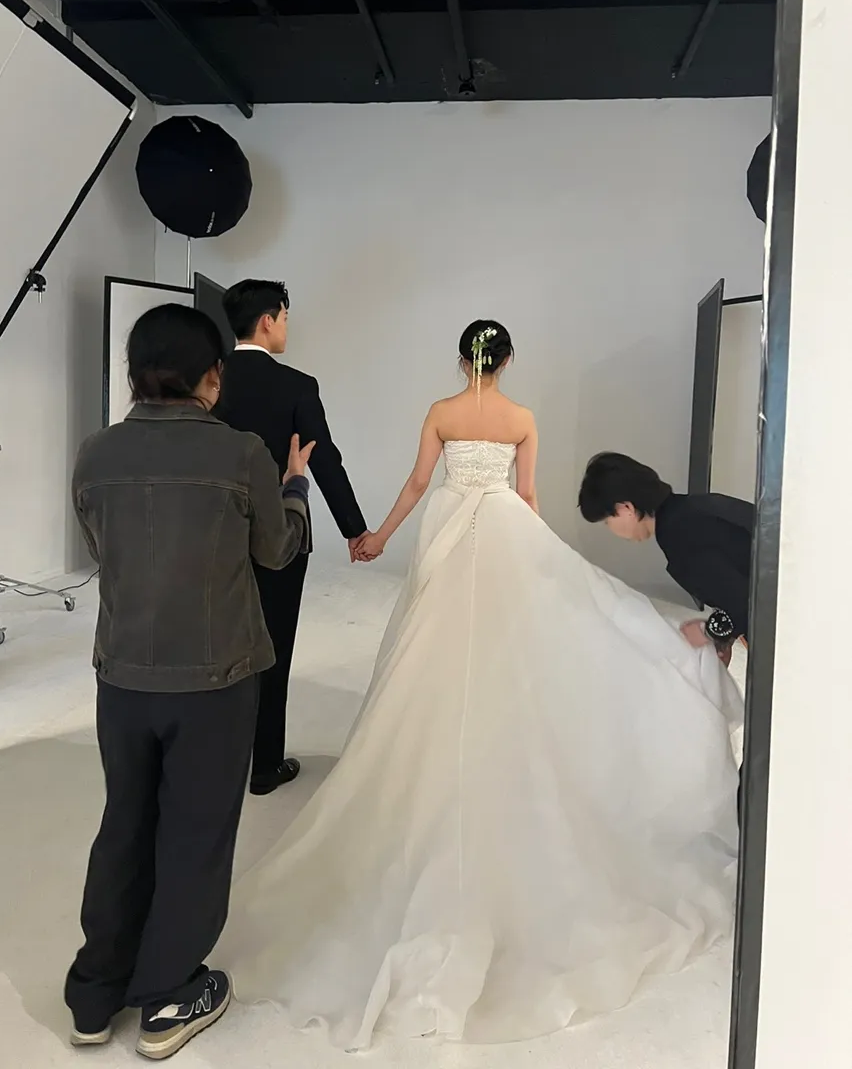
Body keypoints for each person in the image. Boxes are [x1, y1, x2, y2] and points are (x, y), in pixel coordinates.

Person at [223, 322, 741, 1049]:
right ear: (506, 361)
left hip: (447, 530)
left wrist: (377, 536)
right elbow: (526, 497)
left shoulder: (441, 411)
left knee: (429, 650)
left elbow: (417, 483)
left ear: (460, 358)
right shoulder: (521, 417)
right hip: (500, 534)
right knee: (502, 650)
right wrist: (541, 564)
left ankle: (425, 762)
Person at [65, 304, 313, 1061]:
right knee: (195, 833)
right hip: (216, 678)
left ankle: (94, 995)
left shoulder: (96, 453)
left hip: (123, 678)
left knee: (125, 822)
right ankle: (170, 993)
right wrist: (294, 488)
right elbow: (276, 552)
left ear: (134, 373)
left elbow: (101, 548)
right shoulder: (240, 453)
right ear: (212, 375)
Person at [215, 279, 369, 796]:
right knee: (272, 647)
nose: (286, 327)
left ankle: (216, 758)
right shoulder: (298, 385)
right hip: (279, 533)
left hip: (213, 535)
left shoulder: (208, 379)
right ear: (268, 320)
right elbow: (323, 460)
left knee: (216, 642)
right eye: (284, 317)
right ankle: (265, 766)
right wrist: (355, 529)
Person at [576, 452, 754, 665]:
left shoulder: (679, 538)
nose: (611, 530)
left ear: (625, 508)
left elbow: (746, 604)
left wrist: (707, 632)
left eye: (607, 522)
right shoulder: (694, 508)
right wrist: (724, 635)